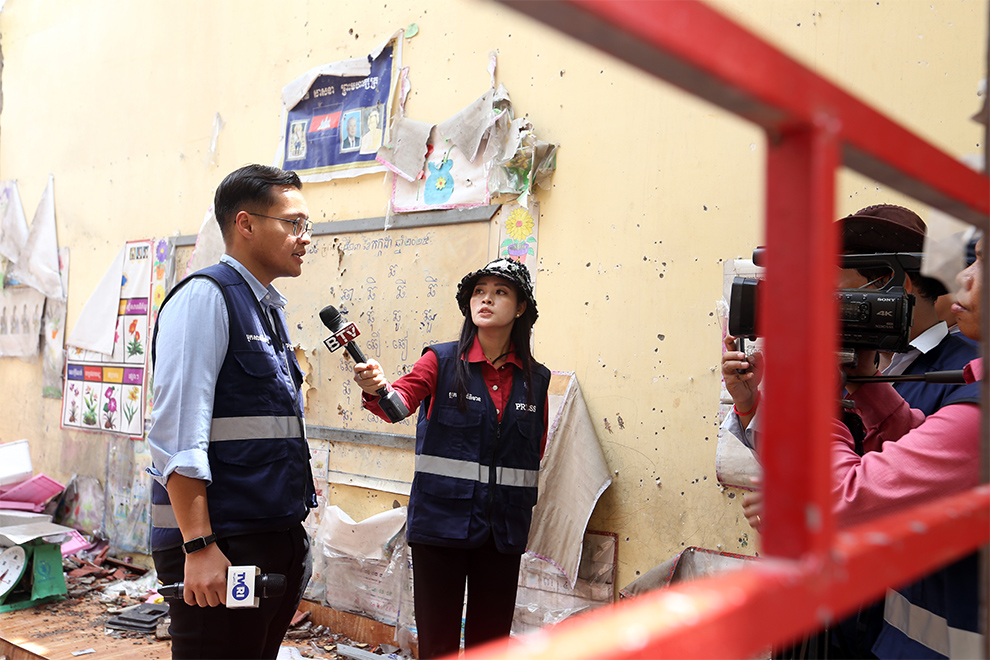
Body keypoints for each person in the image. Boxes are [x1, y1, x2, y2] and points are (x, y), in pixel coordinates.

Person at [727, 236, 984, 659]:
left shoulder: (961, 382)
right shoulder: (964, 382)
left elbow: (848, 497)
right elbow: (916, 457)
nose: (964, 277)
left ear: (903, 288)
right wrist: (865, 387)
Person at [147, 164, 317, 659]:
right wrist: (198, 547)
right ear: (245, 224)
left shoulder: (268, 309)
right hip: (222, 543)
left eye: (307, 225)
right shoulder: (207, 297)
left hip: (266, 535)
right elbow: (178, 434)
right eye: (293, 223)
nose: (304, 238)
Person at [352, 258, 550, 659]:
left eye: (500, 292)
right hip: (440, 526)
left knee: (489, 646)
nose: (487, 300)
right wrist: (375, 387)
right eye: (479, 291)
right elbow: (397, 404)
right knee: (438, 646)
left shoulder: (536, 378)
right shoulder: (440, 361)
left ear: (521, 307)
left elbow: (536, 452)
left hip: (503, 533)